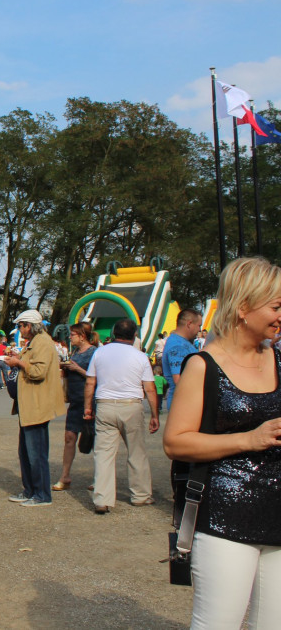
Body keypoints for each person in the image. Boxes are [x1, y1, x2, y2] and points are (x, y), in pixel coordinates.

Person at [164, 257, 281, 629]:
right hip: (224, 517)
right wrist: (249, 438)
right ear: (244, 307)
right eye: (276, 306)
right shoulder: (204, 364)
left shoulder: (278, 359)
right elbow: (176, 442)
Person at [83, 319, 158, 514]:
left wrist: (88, 407)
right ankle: (141, 495)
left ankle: (102, 499)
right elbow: (149, 388)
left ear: (114, 332)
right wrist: (154, 414)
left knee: (104, 453)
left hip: (105, 405)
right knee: (136, 452)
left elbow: (90, 382)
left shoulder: (100, 352)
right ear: (134, 336)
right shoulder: (140, 356)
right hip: (131, 405)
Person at [2, 310, 64, 507]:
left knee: (36, 453)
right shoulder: (36, 342)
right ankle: (30, 490)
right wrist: (17, 357)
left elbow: (38, 371)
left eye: (21, 326)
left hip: (37, 406)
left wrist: (18, 362)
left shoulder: (43, 342)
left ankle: (42, 494)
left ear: (29, 325)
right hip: (29, 406)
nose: (19, 330)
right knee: (26, 452)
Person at [53, 322, 98, 491]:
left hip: (90, 401)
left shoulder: (95, 352)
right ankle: (65, 475)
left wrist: (77, 369)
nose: (70, 338)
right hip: (75, 401)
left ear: (82, 336)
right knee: (69, 437)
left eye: (72, 335)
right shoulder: (75, 352)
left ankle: (99, 477)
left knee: (94, 439)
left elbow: (98, 377)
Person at [161, 308, 203, 412]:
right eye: (199, 325)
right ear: (189, 324)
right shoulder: (177, 346)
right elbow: (178, 380)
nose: (200, 330)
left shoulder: (182, 343)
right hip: (184, 405)